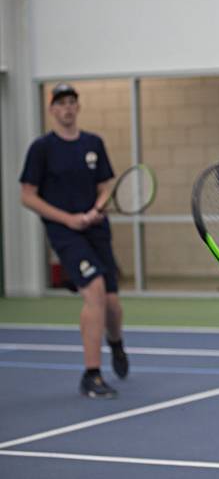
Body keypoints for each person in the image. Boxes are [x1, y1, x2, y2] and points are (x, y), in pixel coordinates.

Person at [19, 83, 129, 399]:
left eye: (72, 102)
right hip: (65, 233)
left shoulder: (94, 143)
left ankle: (117, 342)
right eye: (61, 103)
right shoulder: (42, 149)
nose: (67, 108)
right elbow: (27, 196)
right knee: (93, 290)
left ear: (77, 108)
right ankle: (92, 374)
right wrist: (67, 219)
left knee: (112, 303)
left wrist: (96, 209)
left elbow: (105, 186)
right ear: (52, 110)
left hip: (97, 228)